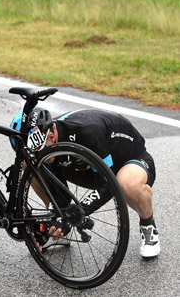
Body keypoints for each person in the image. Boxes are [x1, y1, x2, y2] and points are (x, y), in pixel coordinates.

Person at [10, 107, 160, 258]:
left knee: (126, 183)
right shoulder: (49, 139)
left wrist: (72, 217)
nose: (38, 154)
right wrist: (55, 219)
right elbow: (58, 189)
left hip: (130, 161)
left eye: (38, 149)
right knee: (31, 165)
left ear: (50, 136)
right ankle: (59, 234)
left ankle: (148, 226)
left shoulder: (86, 131)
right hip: (91, 168)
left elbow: (109, 183)